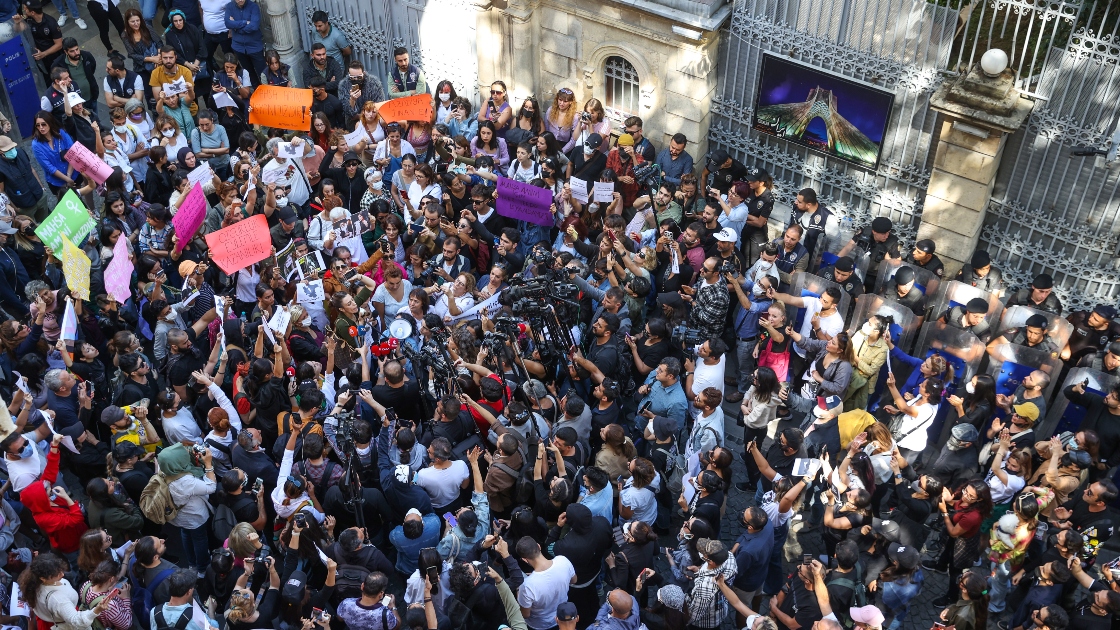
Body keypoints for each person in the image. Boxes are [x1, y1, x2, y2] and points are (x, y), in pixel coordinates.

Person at [19, 553, 111, 629]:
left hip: (48, 620)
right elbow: (77, 621)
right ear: (43, 578)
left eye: (61, 571)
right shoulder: (58, 599)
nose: (62, 574)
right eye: (57, 574)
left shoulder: (34, 583)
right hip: (64, 622)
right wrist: (97, 609)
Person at [223, 0, 265, 86]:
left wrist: (235, 27)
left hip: (255, 47)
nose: (240, 0)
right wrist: (245, 22)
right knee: (248, 73)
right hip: (239, 47)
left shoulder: (253, 6)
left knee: (263, 73)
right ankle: (257, 91)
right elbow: (227, 23)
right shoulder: (229, 7)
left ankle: (267, 92)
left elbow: (254, 26)